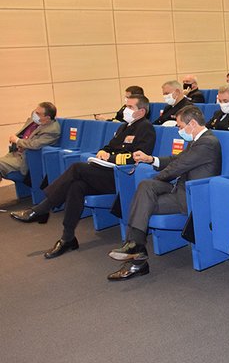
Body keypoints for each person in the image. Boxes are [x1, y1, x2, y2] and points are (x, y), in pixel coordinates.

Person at [11, 95, 156, 259]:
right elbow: (109, 147)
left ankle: (42, 209)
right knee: (76, 186)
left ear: (142, 111)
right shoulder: (124, 127)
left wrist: (112, 158)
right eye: (126, 106)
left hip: (122, 177)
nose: (125, 110)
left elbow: (138, 157)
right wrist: (102, 152)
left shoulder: (146, 128)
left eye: (130, 107)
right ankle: (67, 238)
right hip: (106, 172)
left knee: (77, 168)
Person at [107, 106, 222, 280]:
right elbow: (177, 159)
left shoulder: (208, 142)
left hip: (192, 197)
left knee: (142, 202)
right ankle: (136, 246)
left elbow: (178, 167)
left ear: (192, 123)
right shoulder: (196, 140)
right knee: (145, 186)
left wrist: (158, 177)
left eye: (180, 126)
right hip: (180, 188)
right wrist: (151, 159)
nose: (178, 130)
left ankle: (136, 257)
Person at [1, 102, 60, 182]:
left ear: (47, 117)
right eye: (35, 111)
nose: (34, 114)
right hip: (16, 153)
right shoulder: (35, 121)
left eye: (38, 113)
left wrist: (17, 141)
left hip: (26, 160)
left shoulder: (52, 130)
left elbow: (35, 145)